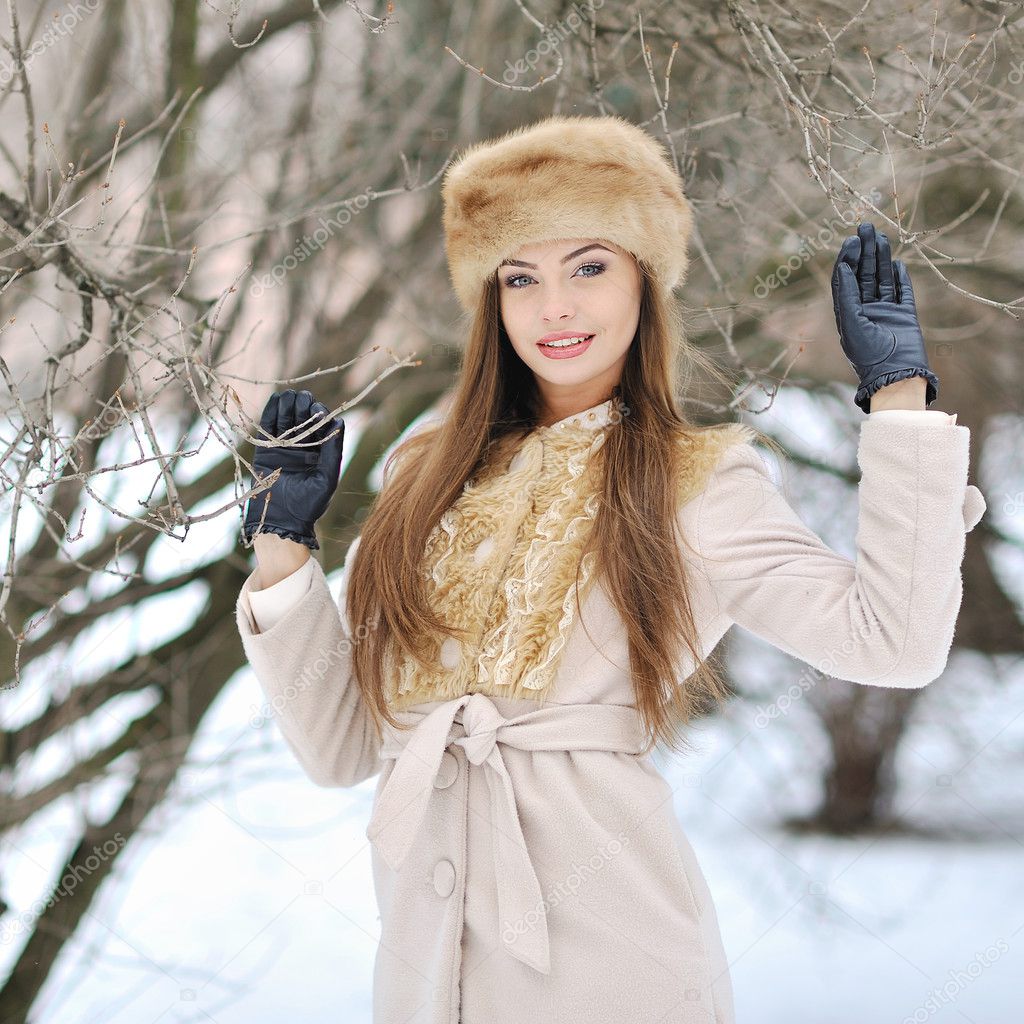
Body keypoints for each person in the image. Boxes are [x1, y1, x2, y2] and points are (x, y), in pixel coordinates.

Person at [234, 114, 987, 1024]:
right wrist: (283, 547)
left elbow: (894, 644)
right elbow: (344, 747)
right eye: (522, 277)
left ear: (644, 279)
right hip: (426, 976)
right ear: (492, 302)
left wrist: (899, 401)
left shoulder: (698, 480)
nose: (555, 307)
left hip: (617, 967)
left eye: (588, 266)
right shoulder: (422, 473)